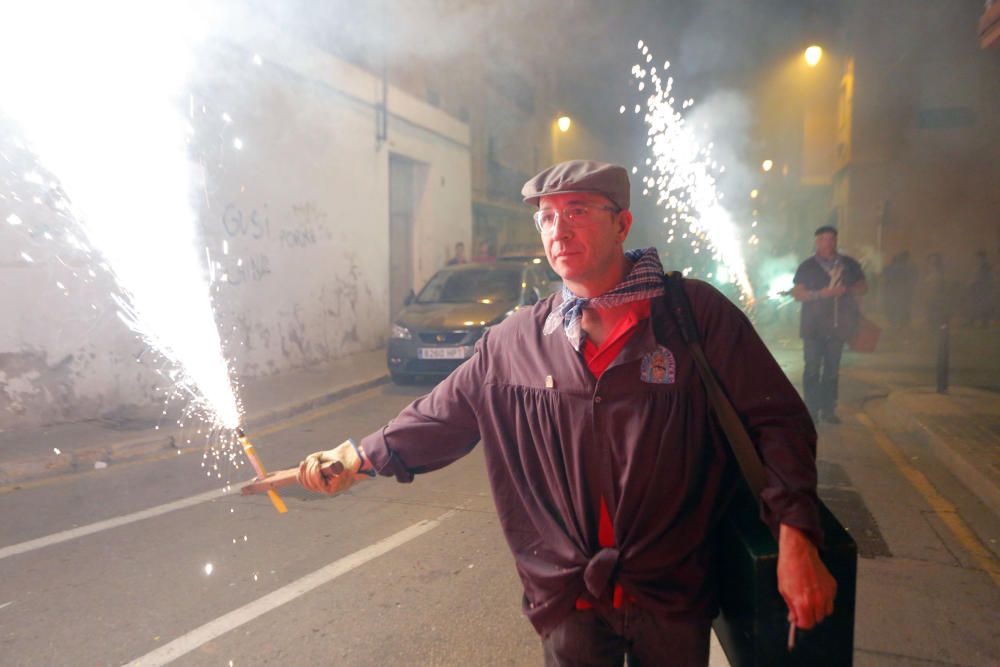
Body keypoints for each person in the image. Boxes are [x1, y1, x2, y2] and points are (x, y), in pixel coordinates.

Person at [299, 160, 836, 666]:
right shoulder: (518, 341)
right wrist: (352, 458)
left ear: (622, 224)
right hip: (568, 597)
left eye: (578, 211)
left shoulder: (692, 316)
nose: (559, 229)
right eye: (548, 217)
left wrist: (796, 535)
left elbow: (778, 423)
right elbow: (440, 415)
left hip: (672, 593)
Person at [792, 225, 868, 424]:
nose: (828, 243)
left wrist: (847, 290)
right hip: (813, 328)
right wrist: (821, 294)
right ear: (817, 242)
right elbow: (798, 294)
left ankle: (828, 409)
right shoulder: (807, 266)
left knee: (832, 370)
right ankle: (810, 409)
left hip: (838, 326)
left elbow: (863, 287)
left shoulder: (848, 265)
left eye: (832, 239)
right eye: (824, 239)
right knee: (812, 368)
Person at [881, 251, 916, 333]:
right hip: (897, 293)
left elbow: (885, 280)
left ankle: (899, 326)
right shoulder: (906, 268)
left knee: (898, 309)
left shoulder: (891, 268)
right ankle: (900, 326)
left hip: (898, 292)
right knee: (899, 309)